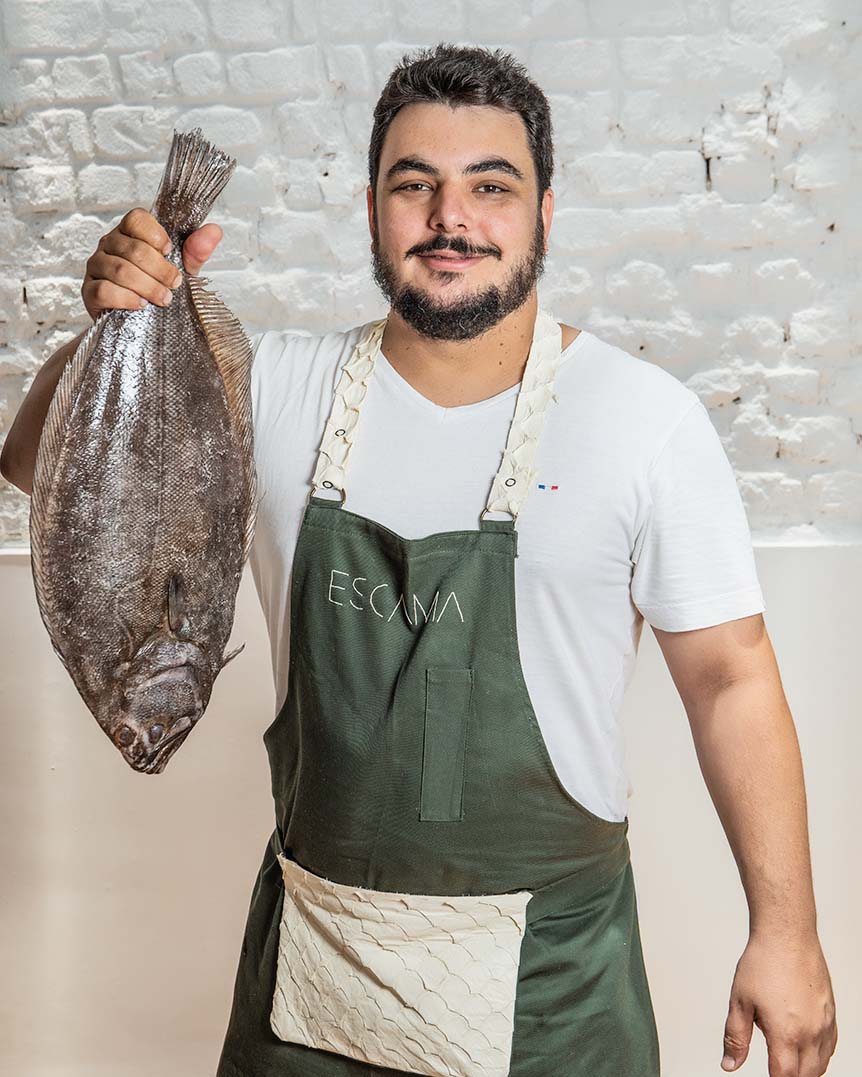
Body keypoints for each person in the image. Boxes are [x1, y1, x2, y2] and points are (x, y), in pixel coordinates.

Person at [0, 41, 837, 1077]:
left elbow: (729, 680)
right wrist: (107, 328)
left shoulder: (640, 422)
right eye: (416, 186)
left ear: (544, 212)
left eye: (491, 186)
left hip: (554, 1003)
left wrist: (787, 934)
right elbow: (39, 467)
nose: (452, 219)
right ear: (372, 210)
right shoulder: (275, 392)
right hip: (308, 999)